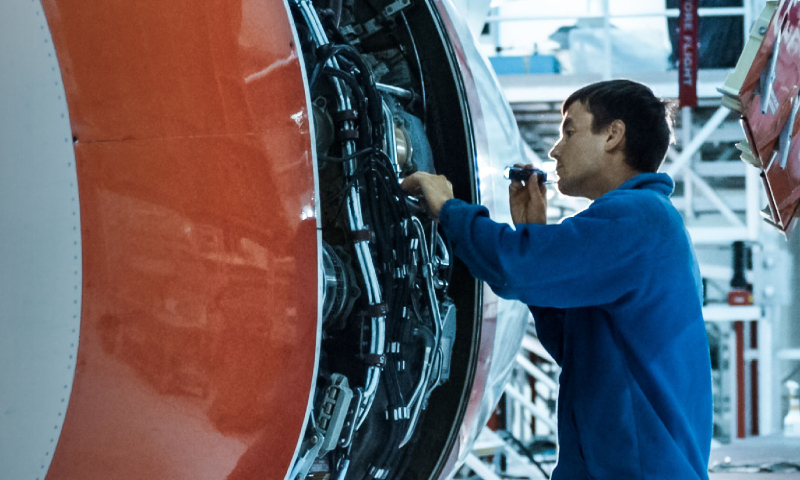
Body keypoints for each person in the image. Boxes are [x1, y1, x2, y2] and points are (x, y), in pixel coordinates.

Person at [401, 79, 712, 479]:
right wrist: (536, 234)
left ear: (613, 135)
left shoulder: (638, 218)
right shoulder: (641, 221)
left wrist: (449, 209)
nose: (554, 150)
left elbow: (512, 269)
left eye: (569, 131)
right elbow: (576, 348)